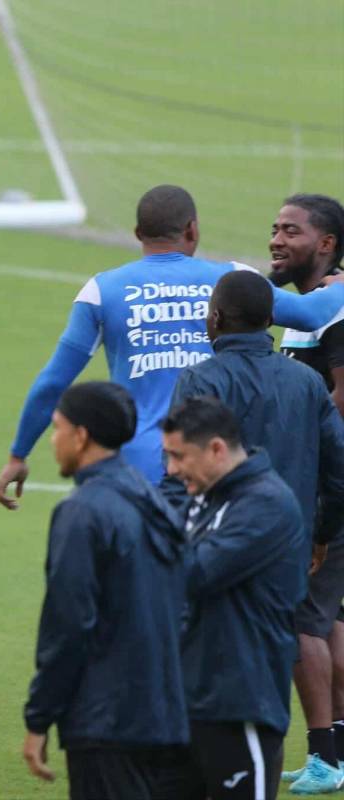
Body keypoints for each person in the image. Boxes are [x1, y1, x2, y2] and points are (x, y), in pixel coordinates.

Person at [0, 185, 344, 507]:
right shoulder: (231, 279)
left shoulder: (102, 291)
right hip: (214, 468)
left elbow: (53, 383)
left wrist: (18, 455)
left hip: (136, 473)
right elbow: (311, 313)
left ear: (137, 234)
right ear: (192, 229)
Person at [166, 269, 344, 793]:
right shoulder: (307, 381)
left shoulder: (201, 378)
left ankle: (221, 765)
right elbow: (339, 471)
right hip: (291, 546)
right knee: (285, 641)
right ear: (270, 319)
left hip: (216, 546)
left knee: (215, 656)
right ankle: (297, 758)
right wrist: (320, 534)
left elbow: (178, 468)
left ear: (215, 318)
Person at [22, 382, 188, 800]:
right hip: (165, 713)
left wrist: (40, 716)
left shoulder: (82, 512)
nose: (53, 441)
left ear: (81, 436)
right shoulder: (155, 502)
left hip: (107, 720)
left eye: (57, 428)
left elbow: (68, 623)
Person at [162, 397, 305, 800]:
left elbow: (193, 572)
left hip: (238, 702)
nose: (171, 469)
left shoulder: (265, 505)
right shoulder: (206, 494)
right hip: (187, 697)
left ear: (217, 449)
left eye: (178, 456)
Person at [267, 194, 344, 790]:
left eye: (290, 231)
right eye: (274, 228)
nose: (276, 239)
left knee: (303, 622)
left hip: (326, 489)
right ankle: (336, 752)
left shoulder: (337, 308)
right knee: (331, 619)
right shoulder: (311, 310)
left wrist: (316, 487)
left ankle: (324, 755)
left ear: (325, 244)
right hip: (322, 483)